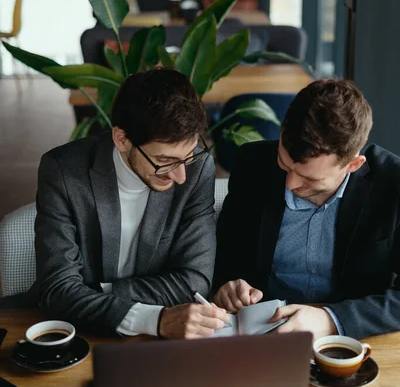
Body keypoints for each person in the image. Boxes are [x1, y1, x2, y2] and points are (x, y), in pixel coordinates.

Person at [33, 68, 229, 339]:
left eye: (188, 155)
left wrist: (96, 293)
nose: (180, 176)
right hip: (82, 337)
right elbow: (58, 290)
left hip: (161, 345)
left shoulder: (197, 169)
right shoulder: (63, 172)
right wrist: (154, 319)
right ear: (122, 140)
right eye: (164, 162)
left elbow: (195, 281)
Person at [213, 78, 400, 340]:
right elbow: (225, 260)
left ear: (353, 165)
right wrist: (229, 287)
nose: (290, 184)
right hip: (265, 334)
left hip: (354, 341)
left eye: (310, 180)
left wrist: (331, 319)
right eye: (285, 164)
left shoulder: (393, 184)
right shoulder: (253, 165)